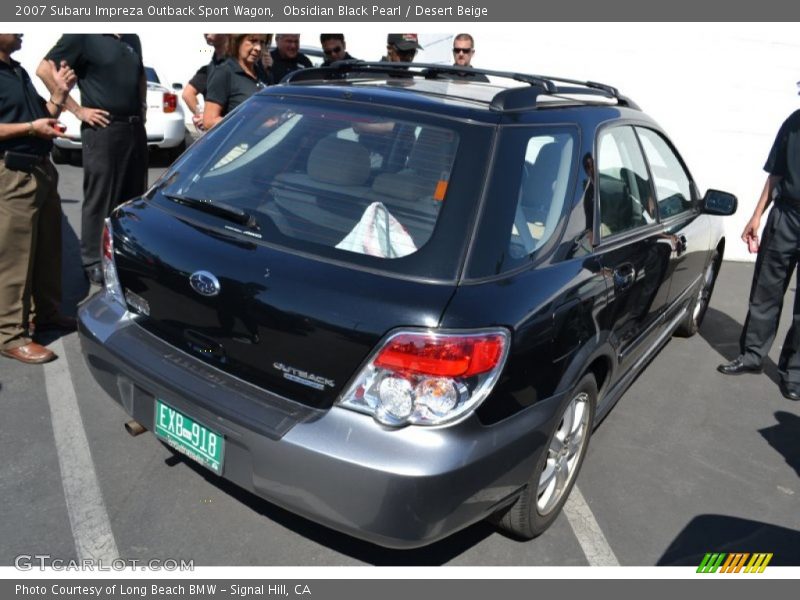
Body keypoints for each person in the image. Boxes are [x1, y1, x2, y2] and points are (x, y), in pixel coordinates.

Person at [37, 34, 148, 286]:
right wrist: (78, 110)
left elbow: (140, 75)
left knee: (132, 199)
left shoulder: (132, 38)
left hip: (133, 128)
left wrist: (142, 106)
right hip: (103, 130)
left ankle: (121, 255)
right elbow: (44, 69)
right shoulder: (84, 34)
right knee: (101, 196)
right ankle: (92, 261)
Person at [0, 33, 77, 364]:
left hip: (42, 171)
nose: (21, 31)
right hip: (13, 174)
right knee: (14, 260)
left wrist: (58, 96)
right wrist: (31, 128)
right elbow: (29, 125)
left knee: (47, 252)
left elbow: (43, 116)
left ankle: (47, 315)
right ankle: (10, 335)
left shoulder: (16, 71)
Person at [717, 107, 800, 401]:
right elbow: (775, 174)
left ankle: (794, 372)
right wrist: (756, 216)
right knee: (766, 290)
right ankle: (752, 356)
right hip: (786, 215)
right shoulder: (793, 123)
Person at [203, 34, 272, 130]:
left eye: (262, 42)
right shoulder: (224, 72)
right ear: (238, 41)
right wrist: (253, 124)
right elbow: (209, 121)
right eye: (253, 41)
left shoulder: (262, 74)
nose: (258, 48)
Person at [182, 34, 228, 131]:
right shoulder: (210, 69)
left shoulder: (239, 64)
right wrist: (202, 115)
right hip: (222, 133)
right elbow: (187, 94)